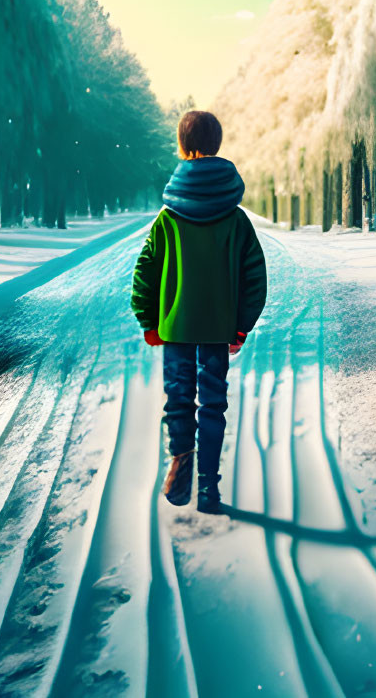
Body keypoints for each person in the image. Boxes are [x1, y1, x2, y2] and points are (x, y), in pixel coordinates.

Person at [132, 109, 267, 514]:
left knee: (178, 399)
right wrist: (241, 326)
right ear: (216, 145)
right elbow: (254, 277)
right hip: (218, 328)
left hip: (174, 328)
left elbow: (145, 271)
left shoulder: (168, 218)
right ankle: (209, 488)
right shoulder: (237, 219)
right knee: (212, 403)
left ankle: (181, 459)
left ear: (182, 145)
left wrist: (148, 320)